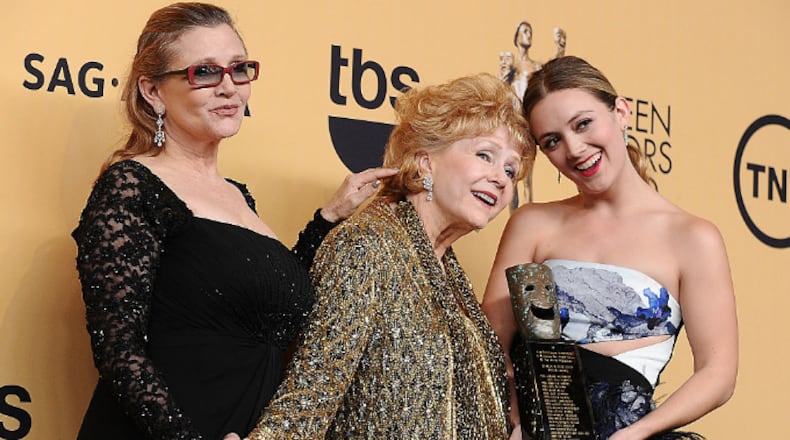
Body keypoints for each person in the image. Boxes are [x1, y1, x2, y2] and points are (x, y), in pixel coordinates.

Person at [72, 3, 395, 439]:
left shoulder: (238, 195)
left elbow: (268, 312)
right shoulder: (131, 185)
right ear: (152, 91)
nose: (229, 86)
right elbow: (119, 350)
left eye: (238, 69)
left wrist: (328, 218)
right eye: (204, 72)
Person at [233, 73, 535, 439]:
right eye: (484, 155)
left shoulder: (447, 271)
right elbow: (312, 393)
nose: (501, 179)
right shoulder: (366, 246)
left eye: (510, 170)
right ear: (425, 162)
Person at [482, 56, 738, 439]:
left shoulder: (692, 237)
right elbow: (490, 345)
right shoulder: (531, 223)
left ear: (620, 112)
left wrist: (635, 434)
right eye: (552, 141)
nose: (574, 149)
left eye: (583, 124)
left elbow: (718, 374)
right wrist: (517, 419)